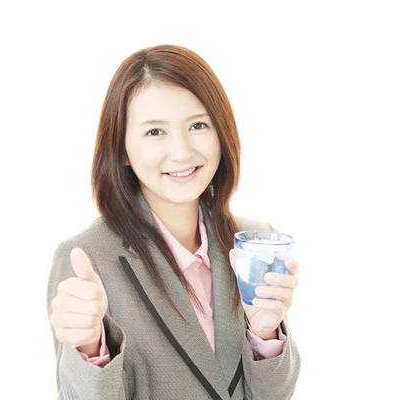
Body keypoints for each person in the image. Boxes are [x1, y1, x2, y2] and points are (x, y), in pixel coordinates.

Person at [46, 44, 301, 400]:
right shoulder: (87, 258)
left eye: (198, 125)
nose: (182, 151)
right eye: (155, 132)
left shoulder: (252, 241)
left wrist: (265, 335)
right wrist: (90, 348)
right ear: (121, 149)